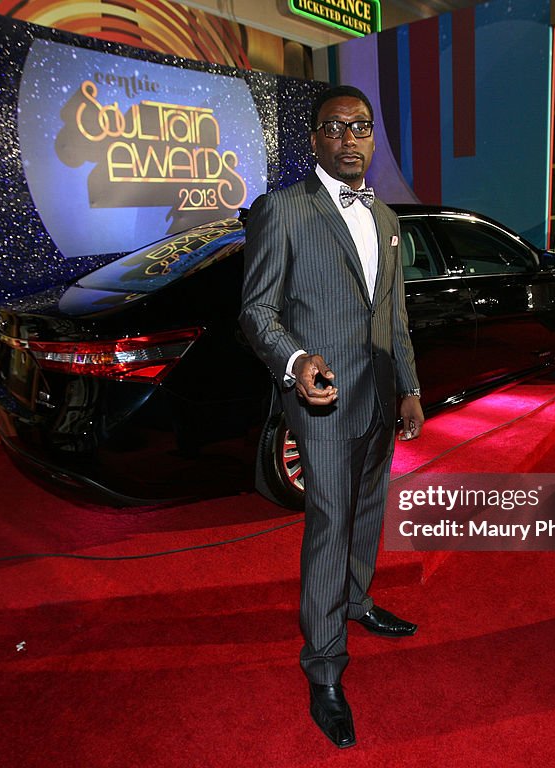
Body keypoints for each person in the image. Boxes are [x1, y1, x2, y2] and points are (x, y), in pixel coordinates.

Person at [239, 85, 424, 749]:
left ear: (373, 139)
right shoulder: (283, 210)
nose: (350, 139)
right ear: (314, 140)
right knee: (328, 526)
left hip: (378, 396)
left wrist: (408, 386)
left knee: (368, 512)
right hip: (322, 400)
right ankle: (323, 667)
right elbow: (256, 311)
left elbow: (394, 315)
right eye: (334, 128)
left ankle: (356, 602)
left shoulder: (388, 220)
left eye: (361, 127)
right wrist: (295, 363)